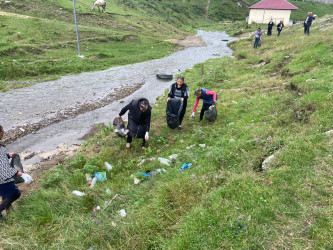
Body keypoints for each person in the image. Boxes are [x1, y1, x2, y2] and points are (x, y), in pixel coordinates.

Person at [0, 125, 32, 220]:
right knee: (15, 193)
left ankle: (9, 211)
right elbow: (5, 169)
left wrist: (8, 155)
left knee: (5, 194)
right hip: (2, 179)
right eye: (2, 134)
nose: (3, 136)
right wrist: (21, 174)